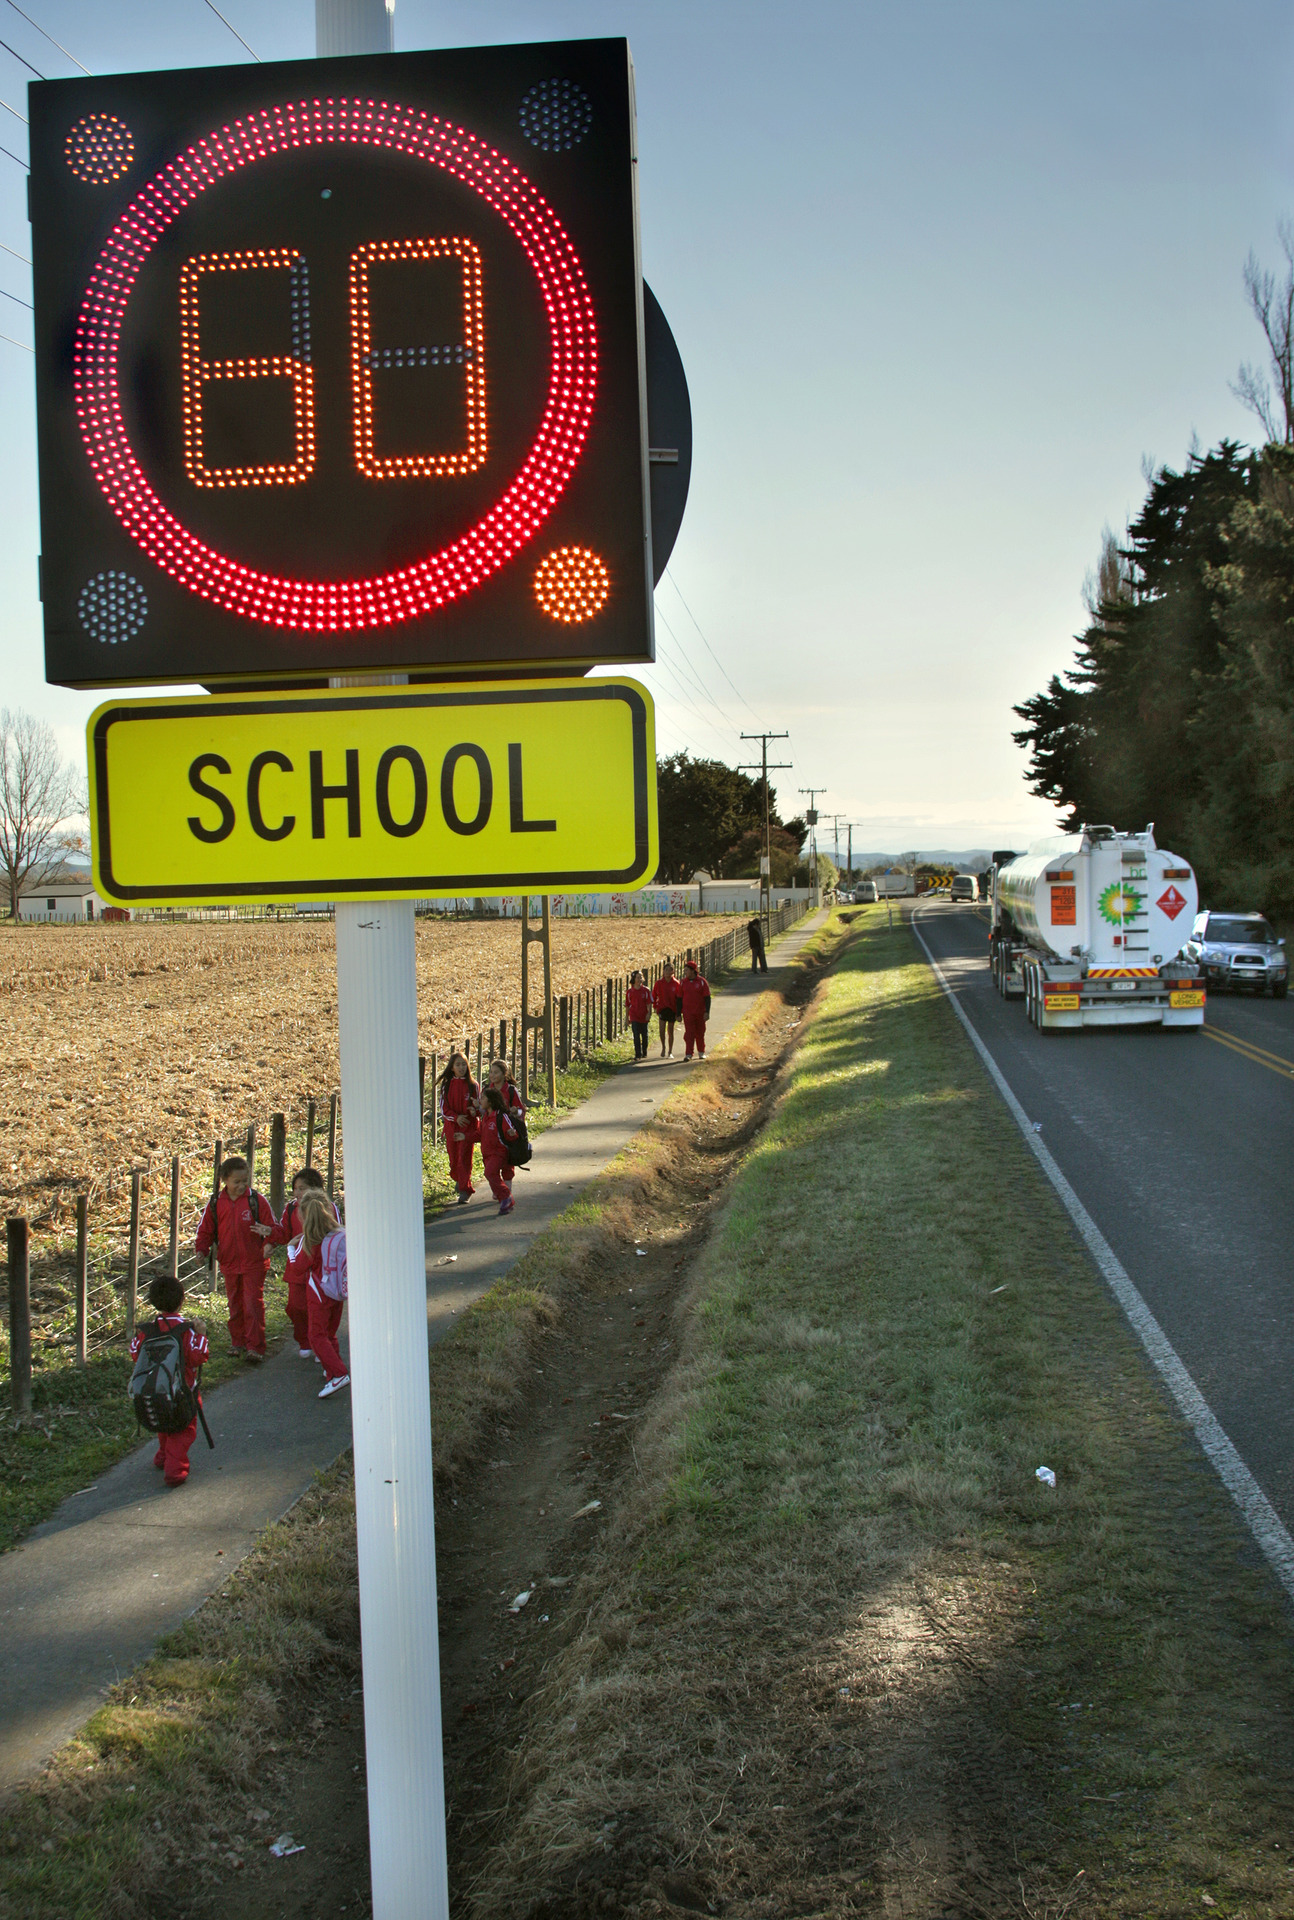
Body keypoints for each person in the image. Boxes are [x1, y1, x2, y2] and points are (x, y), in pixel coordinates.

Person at [129, 1274, 210, 1487]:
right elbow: (197, 1357)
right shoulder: (186, 1330)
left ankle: (162, 1456)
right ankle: (175, 1470)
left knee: (164, 1424)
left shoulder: (147, 1330)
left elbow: (135, 1354)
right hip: (183, 1391)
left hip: (154, 1387)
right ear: (182, 1300)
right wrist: (202, 1335)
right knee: (182, 1430)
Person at [194, 1155, 274, 1362]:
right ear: (225, 1181)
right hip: (229, 1262)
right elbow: (205, 1230)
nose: (241, 1185)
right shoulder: (215, 1203)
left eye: (244, 1181)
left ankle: (255, 1346)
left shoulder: (256, 1200)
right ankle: (237, 1342)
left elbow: (273, 1228)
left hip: (254, 1261)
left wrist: (268, 1244)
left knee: (252, 1303)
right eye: (236, 1182)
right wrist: (201, 1250)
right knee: (235, 1303)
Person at [300, 1189, 349, 1398]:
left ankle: (338, 1373)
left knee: (316, 1335)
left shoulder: (310, 1242)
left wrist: (291, 1250)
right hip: (336, 1292)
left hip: (318, 1294)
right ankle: (331, 1369)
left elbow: (297, 1266)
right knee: (329, 1334)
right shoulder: (337, 1235)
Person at [275, 1166, 327, 1359]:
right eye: (295, 1188)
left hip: (318, 1269)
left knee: (318, 1310)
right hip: (297, 1268)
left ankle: (321, 1344)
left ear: (316, 1190)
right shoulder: (290, 1209)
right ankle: (305, 1341)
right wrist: (270, 1235)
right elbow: (283, 1233)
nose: (297, 1193)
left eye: (302, 1188)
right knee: (295, 1307)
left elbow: (334, 1234)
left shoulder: (327, 1208)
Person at [439, 1051, 480, 1204]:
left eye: (464, 1064)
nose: (461, 1067)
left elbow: (479, 1107)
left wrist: (473, 1111)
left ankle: (465, 1190)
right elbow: (444, 1109)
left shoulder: (473, 1085)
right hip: (452, 1127)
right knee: (454, 1159)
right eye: (458, 1065)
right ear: (452, 1068)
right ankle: (459, 1179)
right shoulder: (447, 1085)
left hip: (467, 1127)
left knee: (464, 1158)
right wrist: (456, 1118)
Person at [478, 1084, 520, 1214]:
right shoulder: (485, 1117)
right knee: (491, 1174)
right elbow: (480, 1134)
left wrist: (513, 1134)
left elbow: (510, 1133)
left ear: (490, 1101)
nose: (480, 1101)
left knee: (490, 1173)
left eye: (483, 1098)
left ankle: (506, 1197)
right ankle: (503, 1199)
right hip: (487, 1154)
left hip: (498, 1153)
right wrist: (465, 1136)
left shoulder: (500, 1116)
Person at [680, 958, 712, 1060]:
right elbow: (679, 998)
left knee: (700, 1032)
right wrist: (678, 1013)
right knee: (689, 1033)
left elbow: (707, 997)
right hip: (688, 1012)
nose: (685, 972)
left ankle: (701, 1052)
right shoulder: (683, 983)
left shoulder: (702, 982)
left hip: (700, 1012)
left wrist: (707, 1011)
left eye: (687, 970)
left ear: (693, 970)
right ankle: (688, 1053)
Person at [652, 962, 682, 1059]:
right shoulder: (659, 983)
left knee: (670, 1031)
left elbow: (679, 999)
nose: (668, 972)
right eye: (666, 970)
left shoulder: (676, 983)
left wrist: (679, 1012)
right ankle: (663, 1047)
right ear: (663, 971)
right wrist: (655, 1006)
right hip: (662, 1009)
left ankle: (670, 1051)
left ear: (673, 971)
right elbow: (654, 995)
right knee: (661, 1030)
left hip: (672, 1009)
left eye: (670, 970)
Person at [626, 970, 652, 1059]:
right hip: (634, 1016)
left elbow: (649, 1003)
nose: (640, 979)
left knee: (644, 1035)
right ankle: (638, 1054)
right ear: (634, 979)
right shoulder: (630, 992)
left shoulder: (646, 990)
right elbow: (627, 1005)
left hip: (643, 1016)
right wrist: (627, 1017)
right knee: (636, 1034)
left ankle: (644, 1051)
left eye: (641, 977)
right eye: (638, 977)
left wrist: (649, 1013)